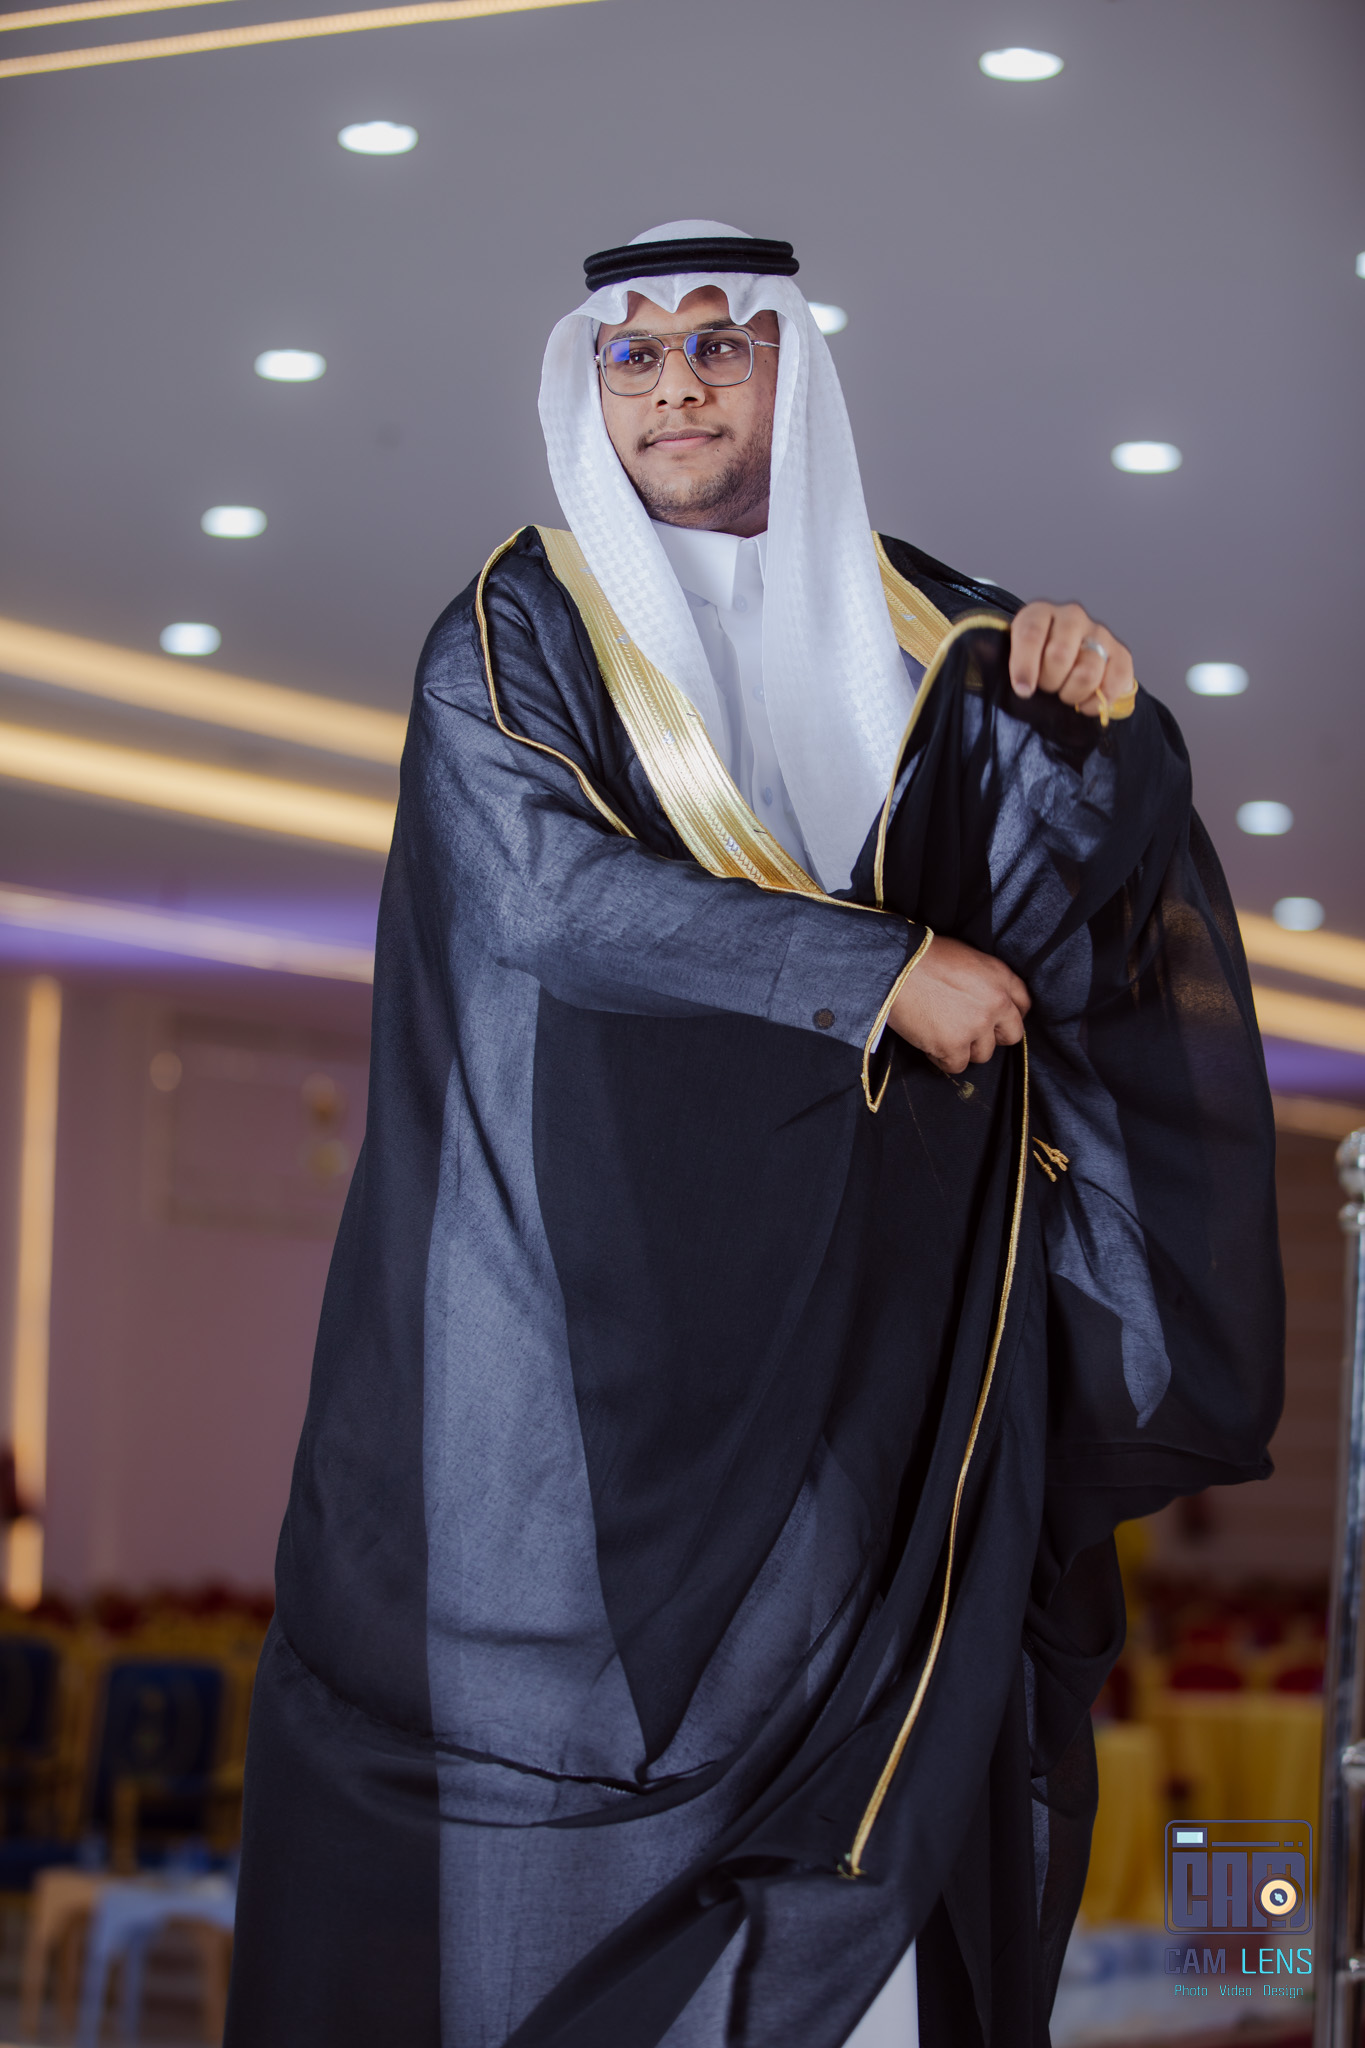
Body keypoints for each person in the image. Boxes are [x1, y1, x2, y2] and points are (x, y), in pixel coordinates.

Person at [224, 222, 1283, 2048]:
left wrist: (1086, 712)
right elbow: (542, 892)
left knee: (889, 1819)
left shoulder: (928, 621)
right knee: (572, 1823)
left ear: (794, 370)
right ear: (590, 389)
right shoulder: (513, 630)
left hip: (884, 1326)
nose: (677, 387)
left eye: (720, 344)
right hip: (612, 1327)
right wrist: (873, 974)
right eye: (633, 357)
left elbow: (1056, 903)